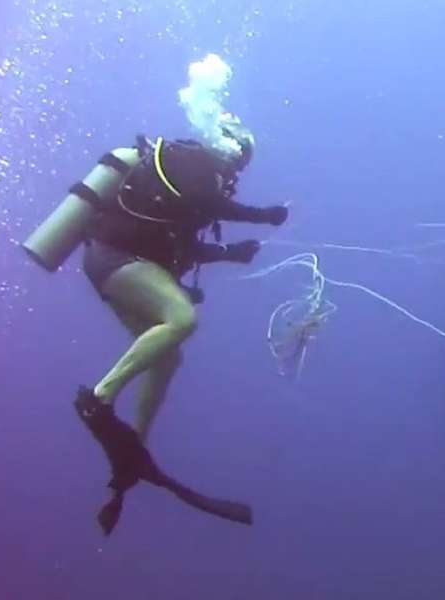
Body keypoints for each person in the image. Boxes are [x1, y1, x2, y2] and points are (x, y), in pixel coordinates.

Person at [73, 130, 287, 442]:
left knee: (168, 357)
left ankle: (136, 440)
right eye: (237, 159)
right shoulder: (188, 160)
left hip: (119, 263)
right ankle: (101, 395)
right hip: (114, 256)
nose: (234, 170)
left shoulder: (192, 189)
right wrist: (262, 216)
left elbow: (184, 246)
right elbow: (207, 201)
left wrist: (230, 253)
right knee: (182, 319)